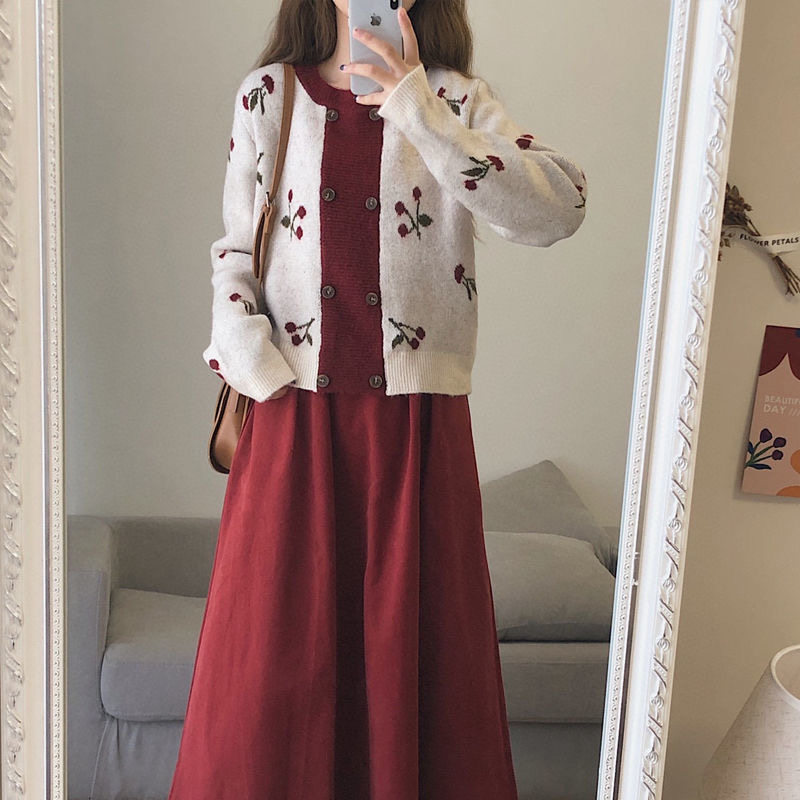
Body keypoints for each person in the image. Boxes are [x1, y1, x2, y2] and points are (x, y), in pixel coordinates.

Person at [168, 1, 587, 797]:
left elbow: (559, 208)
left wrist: (416, 107)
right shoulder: (268, 95)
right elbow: (235, 252)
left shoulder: (454, 100)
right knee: (268, 681)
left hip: (417, 439)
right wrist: (255, 364)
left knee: (420, 669)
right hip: (291, 429)